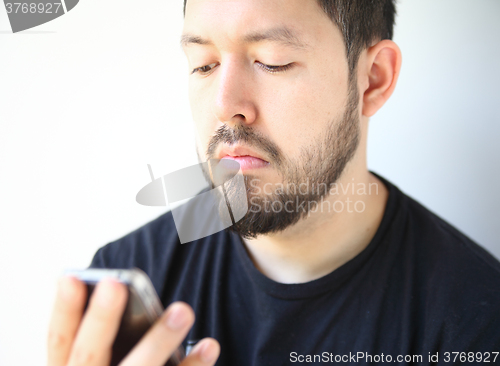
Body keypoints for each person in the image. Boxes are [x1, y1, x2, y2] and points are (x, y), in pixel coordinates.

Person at [47, 0, 500, 365]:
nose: (226, 106)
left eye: (272, 61)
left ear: (373, 80)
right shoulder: (128, 283)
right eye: (204, 65)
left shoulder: (474, 320)